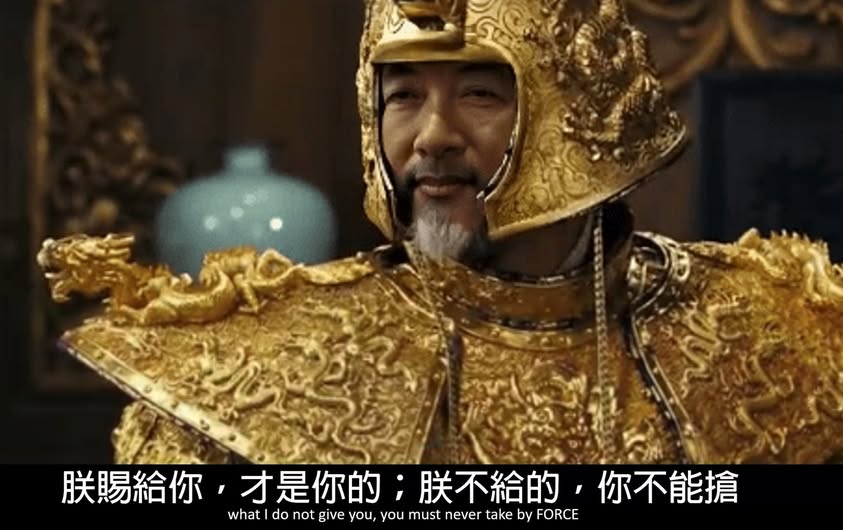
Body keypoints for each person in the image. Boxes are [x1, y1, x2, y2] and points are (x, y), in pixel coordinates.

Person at [37, 0, 843, 464]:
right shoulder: (245, 380)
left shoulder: (784, 334)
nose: (431, 137)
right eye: (403, 96)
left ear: (572, 116)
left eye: (480, 95)